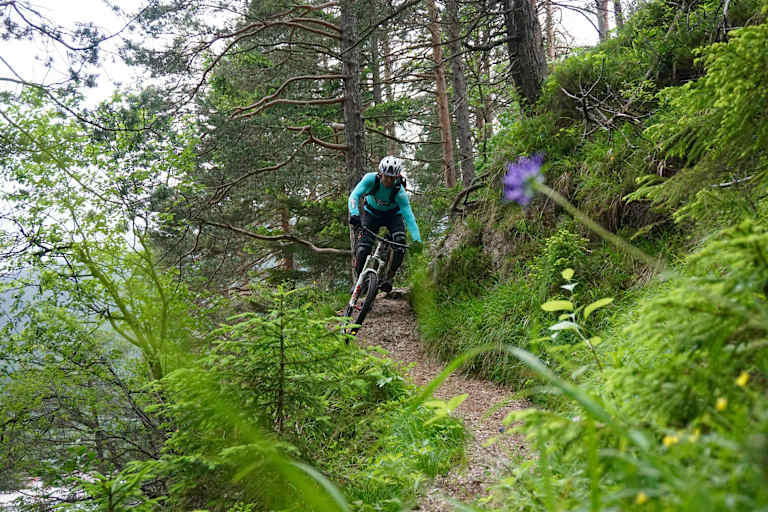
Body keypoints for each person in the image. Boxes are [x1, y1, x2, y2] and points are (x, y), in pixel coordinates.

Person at [348, 155, 422, 293]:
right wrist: (354, 213)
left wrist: (417, 241)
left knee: (400, 244)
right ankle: (360, 281)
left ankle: (389, 277)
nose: (389, 181)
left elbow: (409, 217)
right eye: (386, 177)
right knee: (363, 248)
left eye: (392, 178)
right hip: (371, 214)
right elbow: (354, 195)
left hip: (393, 216)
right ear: (380, 173)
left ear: (397, 177)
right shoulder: (370, 179)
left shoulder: (399, 192)